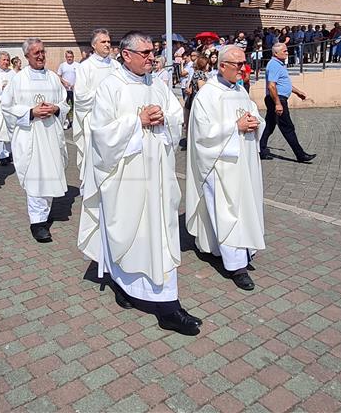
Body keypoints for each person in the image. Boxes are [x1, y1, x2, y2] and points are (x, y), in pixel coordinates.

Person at [78, 31, 200, 336]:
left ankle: (168, 305)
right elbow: (100, 133)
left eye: (152, 52)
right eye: (145, 53)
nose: (151, 57)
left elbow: (175, 117)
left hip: (157, 175)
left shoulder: (157, 84)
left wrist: (163, 119)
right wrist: (138, 122)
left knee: (158, 233)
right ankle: (124, 285)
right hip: (126, 177)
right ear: (126, 54)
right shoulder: (110, 87)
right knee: (129, 232)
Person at [186, 46, 265, 291]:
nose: (243, 68)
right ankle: (236, 267)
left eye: (244, 63)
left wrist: (255, 122)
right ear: (222, 66)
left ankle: (228, 249)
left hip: (243, 164)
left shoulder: (240, 90)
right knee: (226, 213)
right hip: (219, 165)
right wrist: (235, 127)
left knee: (242, 209)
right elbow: (202, 134)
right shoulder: (208, 95)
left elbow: (252, 115)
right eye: (238, 64)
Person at [2, 39, 68, 243]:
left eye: (42, 52)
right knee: (34, 177)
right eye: (36, 53)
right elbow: (6, 106)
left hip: (50, 134)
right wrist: (31, 112)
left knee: (50, 173)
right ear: (26, 56)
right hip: (30, 136)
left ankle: (45, 212)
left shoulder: (52, 78)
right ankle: (37, 223)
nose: (40, 56)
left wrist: (56, 109)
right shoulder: (18, 79)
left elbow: (64, 102)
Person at [73, 29, 119, 182]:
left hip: (116, 120)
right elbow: (80, 97)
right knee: (95, 162)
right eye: (103, 42)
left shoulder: (116, 65)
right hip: (94, 120)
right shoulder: (85, 67)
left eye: (108, 41)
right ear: (94, 45)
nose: (107, 44)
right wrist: (103, 94)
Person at [259, 43, 316, 163]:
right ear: (276, 53)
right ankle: (300, 155)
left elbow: (284, 83)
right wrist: (278, 104)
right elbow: (272, 86)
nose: (287, 52)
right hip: (277, 99)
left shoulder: (279, 65)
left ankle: (260, 149)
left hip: (277, 98)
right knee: (288, 128)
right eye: (284, 51)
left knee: (269, 126)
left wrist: (297, 92)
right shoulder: (274, 65)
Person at [57, 50, 80, 130]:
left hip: (75, 90)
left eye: (71, 57)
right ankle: (66, 121)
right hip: (65, 90)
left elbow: (81, 77)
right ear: (65, 57)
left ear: (73, 57)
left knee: (75, 106)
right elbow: (58, 76)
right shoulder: (62, 65)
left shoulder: (78, 65)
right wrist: (64, 82)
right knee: (66, 106)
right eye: (68, 57)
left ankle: (75, 122)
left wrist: (76, 84)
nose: (69, 58)